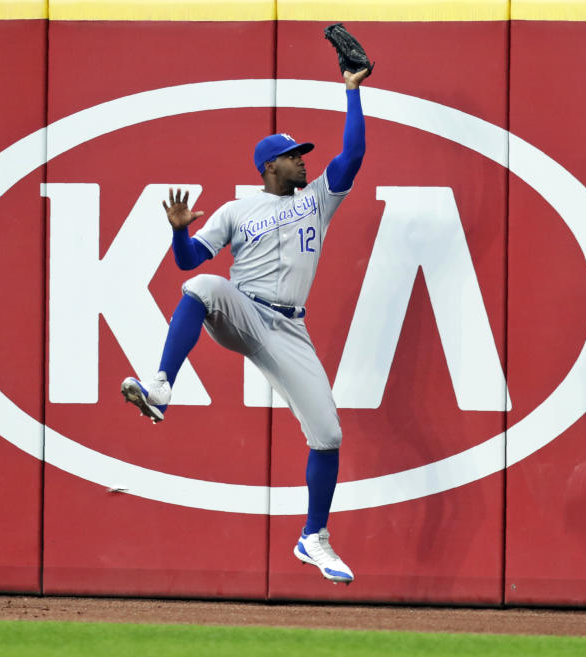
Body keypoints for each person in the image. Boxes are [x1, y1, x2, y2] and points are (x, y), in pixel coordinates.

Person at [121, 67, 370, 584]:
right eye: (293, 155)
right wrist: (177, 234)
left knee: (328, 434)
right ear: (269, 166)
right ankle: (161, 388)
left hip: (288, 329)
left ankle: (313, 538)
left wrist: (353, 92)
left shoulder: (316, 200)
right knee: (203, 287)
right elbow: (191, 261)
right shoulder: (238, 210)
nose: (303, 160)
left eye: (302, 154)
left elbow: (353, 157)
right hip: (243, 308)